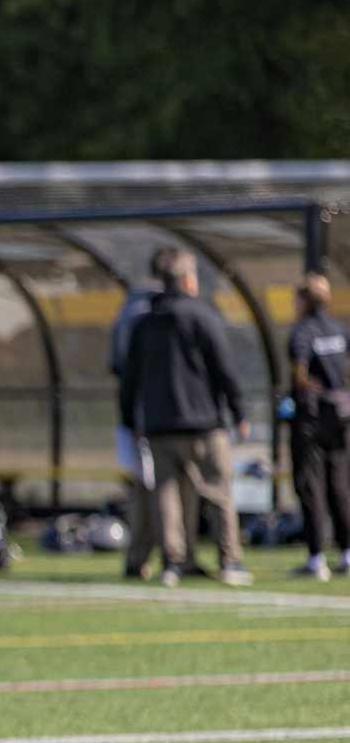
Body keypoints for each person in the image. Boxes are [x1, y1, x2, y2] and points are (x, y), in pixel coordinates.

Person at [119, 248, 253, 587]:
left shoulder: (144, 323)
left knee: (166, 496)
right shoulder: (201, 317)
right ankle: (230, 560)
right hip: (203, 423)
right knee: (219, 491)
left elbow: (129, 378)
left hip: (159, 425)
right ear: (189, 280)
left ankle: (174, 563)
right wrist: (239, 411)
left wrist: (129, 420)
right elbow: (224, 369)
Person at [287, 273, 350, 580]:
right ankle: (347, 552)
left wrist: (310, 386)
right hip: (339, 414)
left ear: (303, 301)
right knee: (339, 483)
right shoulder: (339, 329)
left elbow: (299, 374)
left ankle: (316, 557)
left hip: (311, 418)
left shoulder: (302, 331)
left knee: (310, 485)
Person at [107, 257, 165, 579]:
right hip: (159, 415)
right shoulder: (150, 312)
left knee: (144, 486)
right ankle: (171, 557)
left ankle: (139, 557)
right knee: (159, 487)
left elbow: (116, 364)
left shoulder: (128, 309)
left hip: (139, 414)